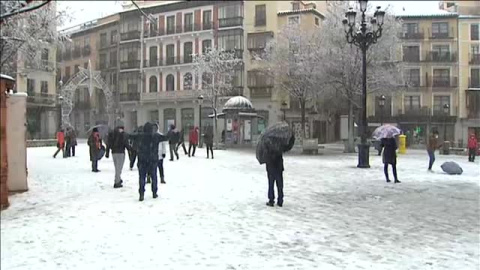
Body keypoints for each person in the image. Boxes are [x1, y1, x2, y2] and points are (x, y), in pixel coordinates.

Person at [134, 122, 167, 201]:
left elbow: (130, 136)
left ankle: (141, 193)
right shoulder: (155, 136)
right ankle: (154, 192)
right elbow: (166, 137)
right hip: (153, 160)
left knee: (142, 177)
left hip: (142, 160)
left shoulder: (140, 136)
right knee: (154, 176)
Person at [265, 135, 293, 208]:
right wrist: (291, 139)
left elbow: (265, 155)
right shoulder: (279, 144)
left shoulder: (267, 144)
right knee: (279, 185)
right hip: (278, 167)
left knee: (271, 184)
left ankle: (271, 200)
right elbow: (287, 148)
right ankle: (280, 200)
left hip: (271, 167)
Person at [105, 123, 131, 188]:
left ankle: (118, 179)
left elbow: (108, 143)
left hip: (113, 152)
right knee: (119, 168)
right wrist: (129, 150)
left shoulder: (112, 134)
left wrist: (107, 152)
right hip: (121, 152)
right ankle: (117, 182)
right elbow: (126, 143)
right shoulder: (123, 134)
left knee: (117, 167)